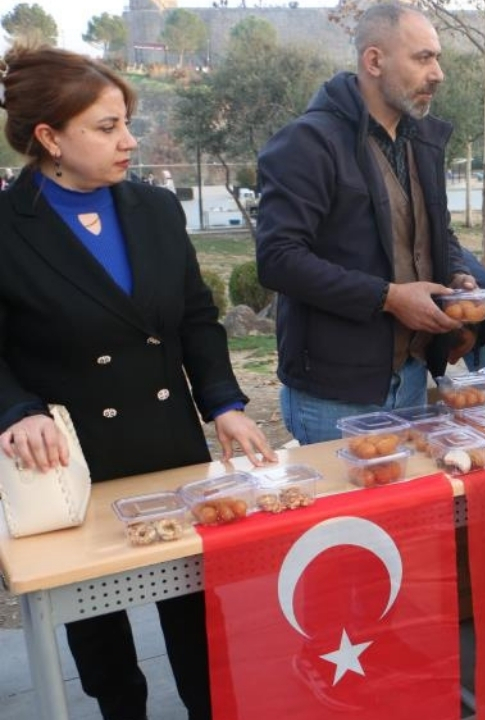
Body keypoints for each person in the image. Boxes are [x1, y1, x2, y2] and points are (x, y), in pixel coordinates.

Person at [0, 44, 275, 720]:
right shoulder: (8, 227)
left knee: (196, 617)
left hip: (167, 442)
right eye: (107, 127)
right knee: (100, 636)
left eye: (126, 123)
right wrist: (17, 409)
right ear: (50, 138)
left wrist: (224, 403)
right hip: (69, 457)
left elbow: (196, 317)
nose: (129, 141)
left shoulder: (155, 208)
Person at [256, 3, 482, 444]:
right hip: (336, 395)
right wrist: (389, 298)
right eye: (423, 58)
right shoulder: (307, 142)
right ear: (374, 61)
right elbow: (278, 260)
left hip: (413, 377)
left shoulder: (422, 140)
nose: (438, 74)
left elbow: (438, 230)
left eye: (437, 58)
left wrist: (457, 276)